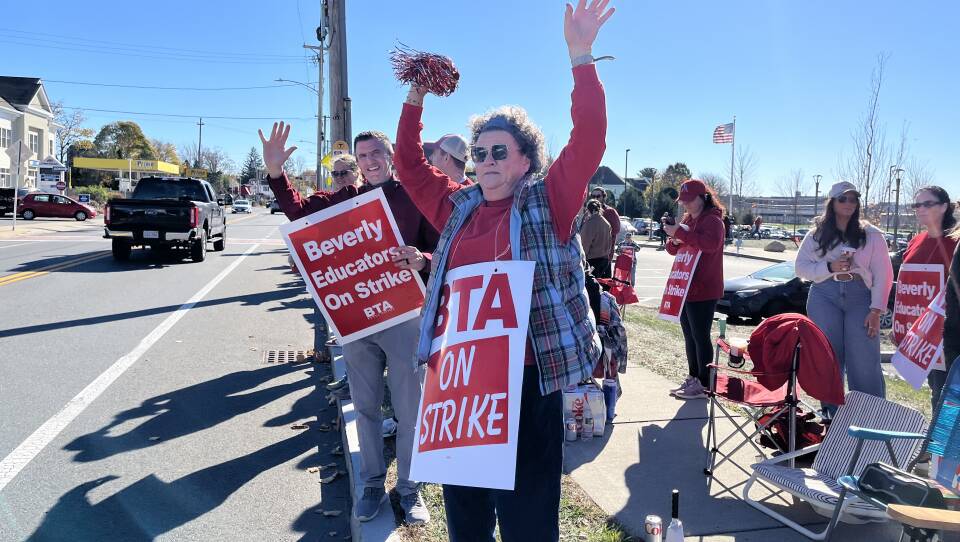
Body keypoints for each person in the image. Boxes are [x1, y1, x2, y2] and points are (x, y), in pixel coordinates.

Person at [392, 1, 614, 539]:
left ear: (524, 160)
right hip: (462, 382)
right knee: (465, 518)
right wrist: (416, 94)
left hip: (527, 380)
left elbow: (588, 141)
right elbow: (409, 165)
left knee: (527, 518)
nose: (486, 159)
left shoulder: (549, 202)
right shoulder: (459, 206)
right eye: (480, 151)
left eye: (499, 151)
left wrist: (580, 56)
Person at [259, 126, 437, 525]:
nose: (370, 162)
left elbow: (439, 248)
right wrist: (276, 174)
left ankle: (409, 488)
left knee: (411, 411)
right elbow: (298, 215)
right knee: (367, 408)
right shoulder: (343, 201)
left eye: (376, 153)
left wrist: (422, 259)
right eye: (362, 157)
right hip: (357, 321)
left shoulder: (412, 196)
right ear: (356, 165)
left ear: (390, 155)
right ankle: (372, 482)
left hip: (405, 316)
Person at [795, 181, 893, 415]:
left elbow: (884, 273)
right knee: (829, 356)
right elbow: (801, 268)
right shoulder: (817, 234)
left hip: (861, 296)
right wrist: (830, 266)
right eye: (843, 198)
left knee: (864, 358)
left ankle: (871, 415)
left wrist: (876, 309)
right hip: (824, 295)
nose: (849, 203)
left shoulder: (871, 234)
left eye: (853, 199)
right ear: (832, 202)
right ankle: (832, 414)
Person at [894, 186, 957, 411]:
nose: (920, 209)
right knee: (936, 392)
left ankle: (942, 444)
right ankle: (936, 443)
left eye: (927, 204)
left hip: (948, 333)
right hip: (922, 335)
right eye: (916, 205)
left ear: (944, 206)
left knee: (946, 395)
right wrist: (901, 328)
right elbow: (906, 288)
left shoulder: (955, 242)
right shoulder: (915, 241)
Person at [663, 179, 726, 400]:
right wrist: (673, 238)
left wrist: (680, 233)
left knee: (700, 336)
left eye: (690, 201)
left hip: (705, 288)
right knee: (689, 335)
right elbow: (673, 248)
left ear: (703, 197)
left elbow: (710, 244)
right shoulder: (689, 219)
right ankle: (694, 378)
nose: (686, 205)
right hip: (686, 286)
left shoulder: (714, 221)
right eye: (683, 201)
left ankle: (705, 384)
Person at [580, 199, 613, 278]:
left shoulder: (589, 224)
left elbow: (584, 245)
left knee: (591, 287)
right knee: (601, 286)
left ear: (588, 210)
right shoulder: (606, 223)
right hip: (605, 261)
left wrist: (582, 261)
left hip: (592, 262)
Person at [590, 186, 620, 265]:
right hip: (590, 255)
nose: (595, 198)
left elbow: (616, 230)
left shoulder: (610, 212)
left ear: (604, 197)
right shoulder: (588, 212)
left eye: (598, 196)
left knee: (604, 277)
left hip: (604, 256)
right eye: (593, 196)